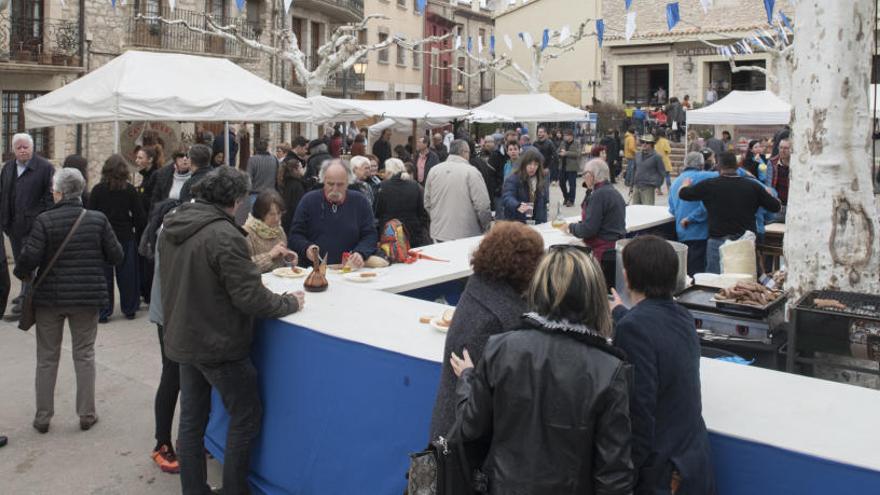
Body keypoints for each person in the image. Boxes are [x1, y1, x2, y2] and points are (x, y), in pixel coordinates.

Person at [159, 166, 303, 495]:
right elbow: (251, 297)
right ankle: (236, 490)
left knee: (193, 422)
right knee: (245, 415)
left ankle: (193, 489)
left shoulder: (175, 225)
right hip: (217, 343)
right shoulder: (224, 235)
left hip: (184, 336)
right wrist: (289, 303)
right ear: (238, 201)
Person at [449, 246, 633, 494]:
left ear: (539, 287)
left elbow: (470, 428)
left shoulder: (501, 348)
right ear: (594, 295)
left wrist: (467, 379)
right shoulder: (609, 370)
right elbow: (613, 475)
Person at [14, 168, 124, 434]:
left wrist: (22, 274)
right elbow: (116, 255)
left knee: (47, 358)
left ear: (60, 192)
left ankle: (43, 416)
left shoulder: (44, 220)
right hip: (86, 298)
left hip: (49, 299)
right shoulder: (97, 220)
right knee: (84, 355)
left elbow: (29, 259)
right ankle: (86, 413)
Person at [611, 235, 715, 495]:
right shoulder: (683, 316)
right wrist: (621, 312)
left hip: (664, 473)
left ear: (627, 276)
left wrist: (623, 479)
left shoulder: (632, 328)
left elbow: (639, 413)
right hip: (693, 461)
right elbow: (655, 328)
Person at [429, 221, 544, 439]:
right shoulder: (499, 319)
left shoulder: (480, 290)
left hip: (449, 429)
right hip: (464, 443)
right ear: (522, 268)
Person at [679, 152, 782, 273]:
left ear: (718, 167)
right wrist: (769, 196)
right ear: (738, 166)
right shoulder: (753, 186)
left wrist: (684, 185)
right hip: (744, 242)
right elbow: (775, 207)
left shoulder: (709, 185)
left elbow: (684, 194)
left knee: (714, 283)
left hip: (717, 241)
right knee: (743, 281)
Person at [1, 133, 54, 317]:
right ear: (13, 150)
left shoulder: (45, 167)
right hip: (13, 226)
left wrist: (41, 220)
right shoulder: (8, 168)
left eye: (26, 147)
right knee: (19, 261)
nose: (22, 150)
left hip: (34, 226)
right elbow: (4, 194)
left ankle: (26, 303)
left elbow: (49, 198)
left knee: (30, 262)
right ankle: (25, 292)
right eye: (19, 147)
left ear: (32, 148)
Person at [88, 155, 146, 322]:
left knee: (104, 276)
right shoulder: (129, 190)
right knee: (127, 274)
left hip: (103, 238)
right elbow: (140, 217)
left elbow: (91, 213)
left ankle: (104, 311)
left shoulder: (98, 190)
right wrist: (134, 228)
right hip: (125, 236)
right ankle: (129, 308)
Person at [288, 159, 378, 267]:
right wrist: (306, 247)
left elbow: (370, 235)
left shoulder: (360, 201)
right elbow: (295, 235)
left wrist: (361, 252)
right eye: (330, 184)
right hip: (314, 270)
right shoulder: (308, 200)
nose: (335, 189)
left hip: (350, 270)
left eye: (340, 185)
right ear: (323, 180)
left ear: (348, 182)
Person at [424, 139, 492, 242]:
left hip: (438, 233)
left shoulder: (434, 171)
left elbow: (427, 203)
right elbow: (483, 205)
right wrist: (486, 226)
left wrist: (437, 218)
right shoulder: (471, 172)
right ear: (464, 152)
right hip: (467, 234)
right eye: (468, 153)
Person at [564, 159, 626, 261]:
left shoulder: (599, 195)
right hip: (613, 248)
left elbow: (588, 229)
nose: (584, 177)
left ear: (592, 175)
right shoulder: (612, 191)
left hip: (602, 251)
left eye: (585, 173)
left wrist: (570, 227)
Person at [668, 152, 717, 275]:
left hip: (682, 232)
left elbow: (672, 209)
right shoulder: (706, 176)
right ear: (702, 164)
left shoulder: (675, 182)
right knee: (698, 272)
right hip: (699, 232)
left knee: (686, 270)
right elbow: (729, 174)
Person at [375, 158, 430, 247]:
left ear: (389, 170)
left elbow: (378, 211)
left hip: (390, 232)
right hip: (412, 231)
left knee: (394, 257)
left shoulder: (382, 187)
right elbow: (421, 211)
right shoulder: (415, 186)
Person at [243, 189, 298, 273]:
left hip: (279, 282)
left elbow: (281, 263)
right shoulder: (247, 232)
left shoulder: (279, 230)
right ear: (261, 213)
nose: (276, 218)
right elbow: (244, 267)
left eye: (279, 213)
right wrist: (270, 255)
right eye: (271, 214)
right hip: (258, 283)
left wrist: (289, 256)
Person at [501, 148, 547, 224]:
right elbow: (507, 197)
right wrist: (517, 205)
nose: (532, 167)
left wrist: (543, 222)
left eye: (536, 164)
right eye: (529, 164)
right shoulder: (513, 178)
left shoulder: (540, 179)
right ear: (523, 163)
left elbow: (543, 204)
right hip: (516, 223)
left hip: (535, 223)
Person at [631, 135, 666, 206]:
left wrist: (657, 185)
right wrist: (631, 186)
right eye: (642, 142)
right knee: (635, 210)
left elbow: (662, 172)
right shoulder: (637, 155)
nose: (644, 144)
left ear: (652, 144)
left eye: (647, 142)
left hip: (648, 188)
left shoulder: (657, 157)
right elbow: (634, 170)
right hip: (636, 187)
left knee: (648, 211)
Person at [276, 155, 308, 231]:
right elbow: (297, 205)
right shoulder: (297, 185)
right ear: (295, 170)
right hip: (293, 222)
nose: (302, 170)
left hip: (287, 221)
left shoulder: (287, 182)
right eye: (300, 167)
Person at [246, 138, 279, 209]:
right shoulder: (274, 159)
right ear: (267, 148)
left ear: (255, 148)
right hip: (270, 194)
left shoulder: (252, 160)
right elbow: (278, 177)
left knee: (255, 218)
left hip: (255, 194)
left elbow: (248, 178)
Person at [136, 145, 164, 215]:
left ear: (150, 160)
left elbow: (153, 200)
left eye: (140, 158)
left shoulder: (156, 176)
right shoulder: (145, 175)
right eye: (137, 157)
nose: (136, 160)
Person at [557, 129, 582, 207]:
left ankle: (571, 200)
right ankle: (566, 197)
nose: (564, 137)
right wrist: (559, 153)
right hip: (562, 167)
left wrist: (566, 153)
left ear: (571, 136)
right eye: (564, 135)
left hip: (572, 167)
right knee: (561, 183)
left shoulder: (577, 143)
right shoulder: (563, 143)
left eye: (566, 136)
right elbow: (557, 151)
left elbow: (578, 154)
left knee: (572, 185)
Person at [770, 138, 791, 211]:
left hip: (792, 203)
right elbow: (769, 184)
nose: (782, 150)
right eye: (781, 147)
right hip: (778, 204)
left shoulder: (796, 164)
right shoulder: (772, 162)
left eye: (786, 148)